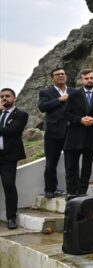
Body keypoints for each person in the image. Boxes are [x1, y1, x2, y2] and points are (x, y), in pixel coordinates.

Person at [63, 69, 93, 199]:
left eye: (91, 78)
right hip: (74, 136)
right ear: (81, 80)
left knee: (87, 166)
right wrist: (80, 119)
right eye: (87, 78)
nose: (89, 80)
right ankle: (71, 191)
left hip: (91, 136)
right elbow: (66, 114)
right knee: (71, 165)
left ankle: (82, 190)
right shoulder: (73, 96)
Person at [38, 67, 76, 198]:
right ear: (52, 78)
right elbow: (42, 107)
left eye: (63, 74)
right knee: (51, 163)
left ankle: (72, 190)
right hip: (53, 133)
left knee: (71, 163)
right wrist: (60, 100)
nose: (61, 76)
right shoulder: (46, 92)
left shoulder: (74, 91)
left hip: (71, 132)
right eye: (57, 74)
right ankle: (50, 190)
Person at [0, 88, 28, 229]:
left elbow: (12, 131)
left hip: (8, 157)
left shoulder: (21, 114)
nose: (4, 98)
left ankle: (11, 217)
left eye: (7, 96)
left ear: (14, 98)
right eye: (2, 96)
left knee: (9, 185)